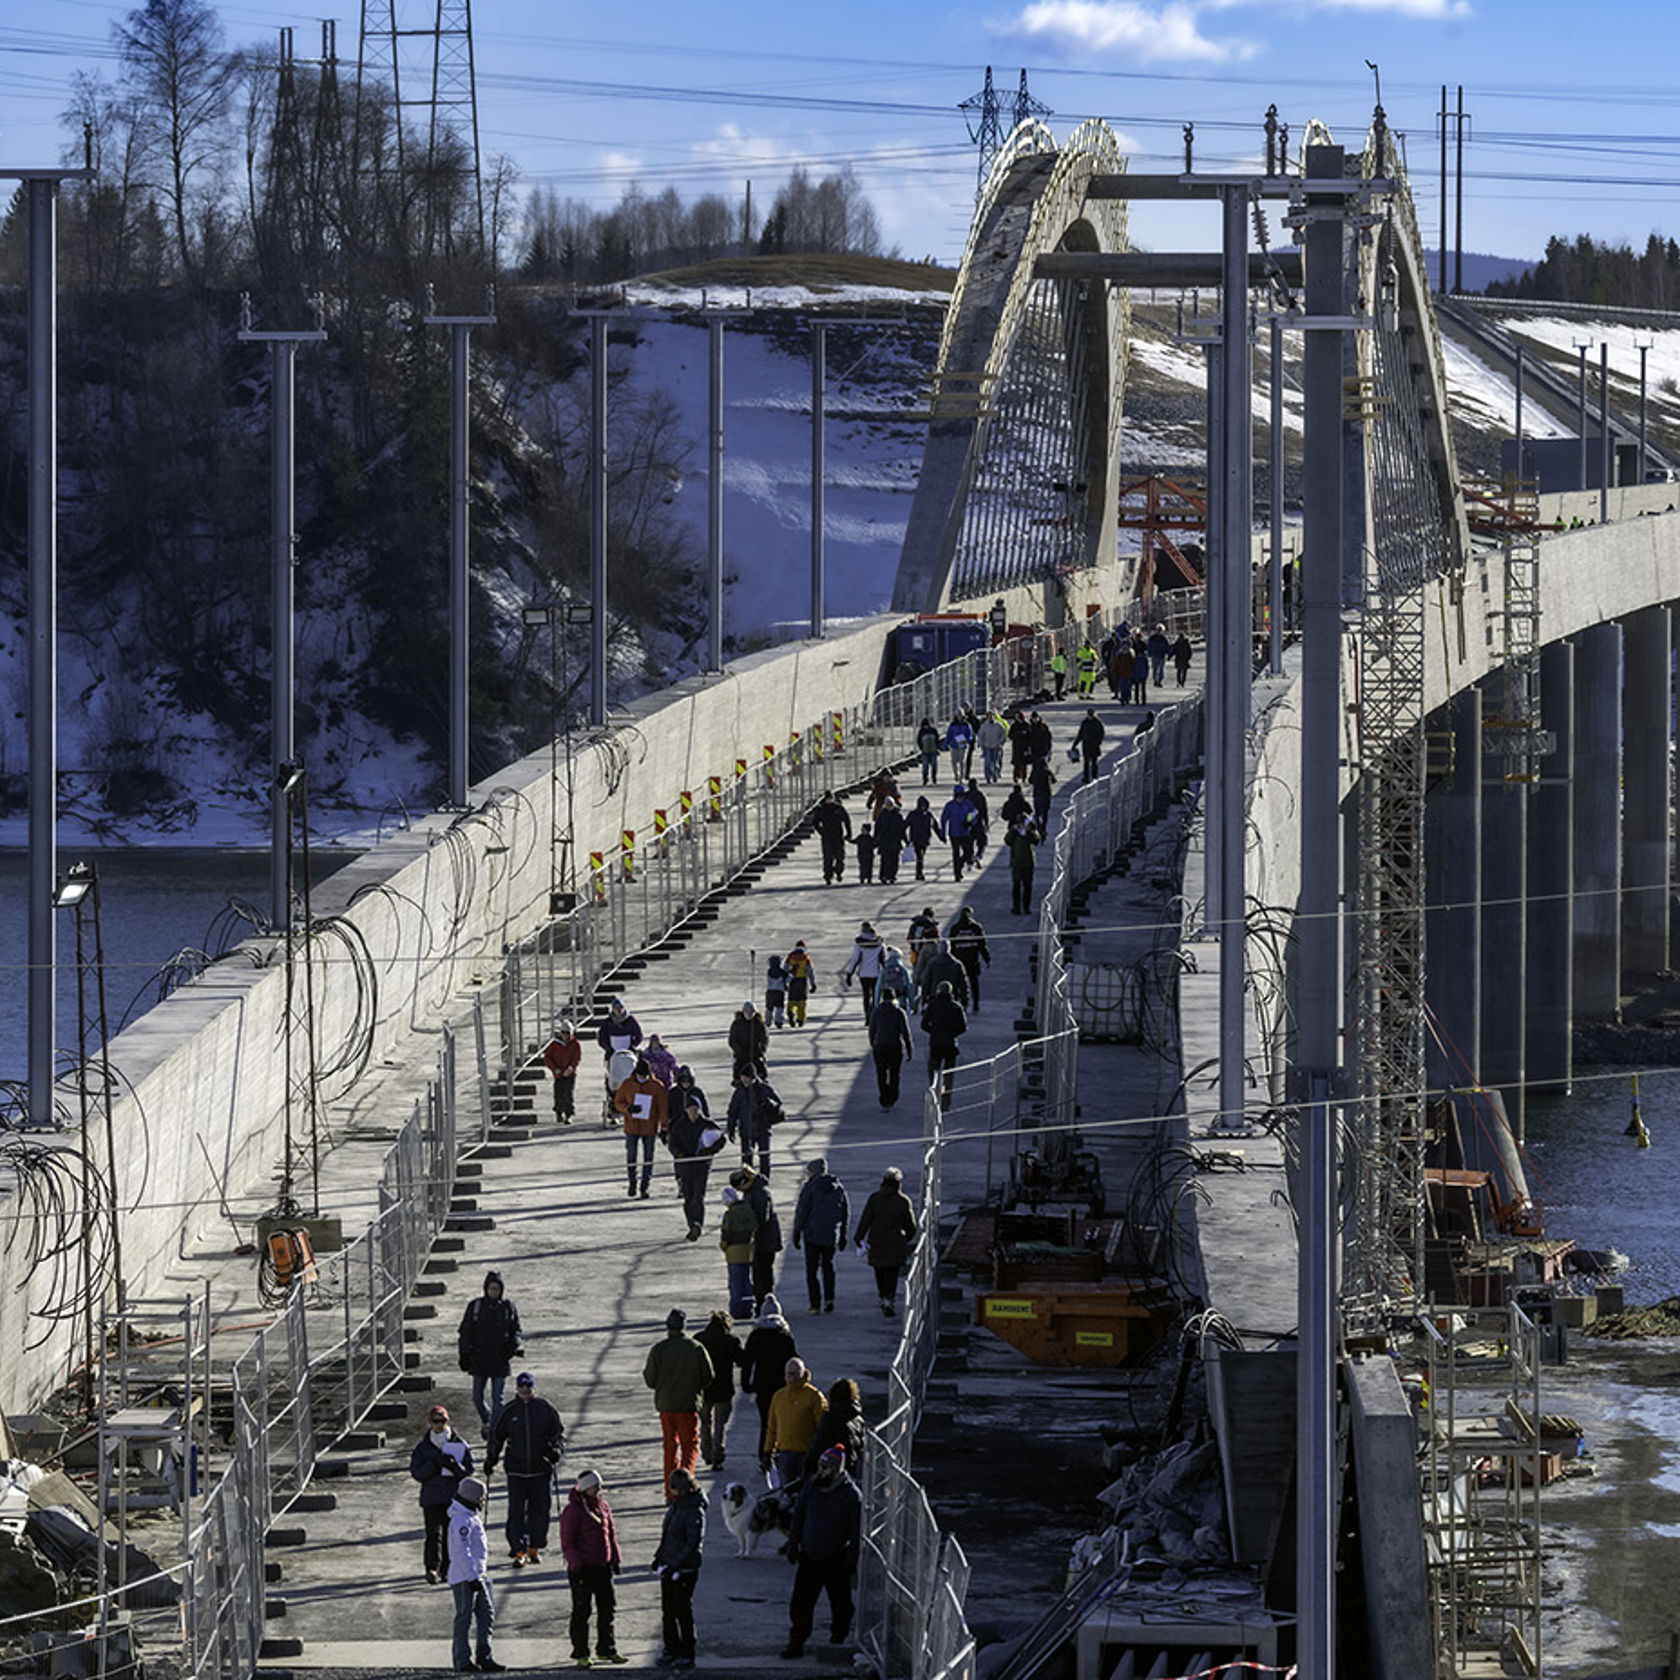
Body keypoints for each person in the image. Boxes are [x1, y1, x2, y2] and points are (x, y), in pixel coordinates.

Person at [781, 1444, 862, 1659]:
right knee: (800, 1604)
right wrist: (793, 1543)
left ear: (836, 1470)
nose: (822, 1472)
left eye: (826, 1468)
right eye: (821, 1467)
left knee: (841, 1604)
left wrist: (852, 1557)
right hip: (810, 1555)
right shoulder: (812, 1486)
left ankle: (837, 1638)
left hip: (835, 1557)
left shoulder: (850, 1495)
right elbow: (799, 1515)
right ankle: (796, 1641)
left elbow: (855, 1530)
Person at [484, 1371, 564, 1567]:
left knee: (540, 1512)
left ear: (533, 1388)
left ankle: (534, 1548)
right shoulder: (509, 1411)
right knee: (516, 1513)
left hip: (541, 1469)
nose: (525, 1390)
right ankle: (519, 1551)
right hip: (517, 1470)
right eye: (521, 1386)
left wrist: (556, 1451)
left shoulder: (545, 1409)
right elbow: (497, 1437)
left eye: (528, 1386)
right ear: (517, 1389)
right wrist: (491, 1459)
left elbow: (558, 1434)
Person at [643, 1308, 715, 1500]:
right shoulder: (696, 1348)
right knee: (690, 1447)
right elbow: (708, 1376)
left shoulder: (658, 1349)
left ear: (668, 1326)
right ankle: (687, 1487)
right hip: (688, 1406)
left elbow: (650, 1379)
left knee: (669, 1448)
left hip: (666, 1406)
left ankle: (671, 1491)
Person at [559, 1468, 626, 1667]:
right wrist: (576, 1564)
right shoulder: (573, 1511)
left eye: (598, 1486)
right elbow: (567, 1541)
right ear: (585, 1488)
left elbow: (611, 1535)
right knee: (582, 1611)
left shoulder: (603, 1506)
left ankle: (607, 1649)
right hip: (583, 1569)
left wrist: (615, 1559)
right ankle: (581, 1652)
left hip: (602, 1567)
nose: (598, 1489)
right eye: (594, 1486)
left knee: (607, 1609)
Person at [410, 1404, 474, 1584]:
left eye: (443, 1421)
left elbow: (468, 1471)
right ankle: (431, 1568)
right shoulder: (423, 1447)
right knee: (432, 1534)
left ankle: (447, 1568)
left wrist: (454, 1466)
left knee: (451, 1534)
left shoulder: (459, 1444)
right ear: (430, 1422)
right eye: (436, 1421)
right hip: (431, 1497)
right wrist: (434, 1465)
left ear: (448, 1421)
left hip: (453, 1497)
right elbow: (417, 1473)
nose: (439, 1425)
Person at [446, 1476, 504, 1673]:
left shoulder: (470, 1516)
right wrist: (472, 1577)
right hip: (466, 1577)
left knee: (486, 1615)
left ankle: (484, 1655)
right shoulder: (461, 1520)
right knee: (464, 1618)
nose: (483, 1501)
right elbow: (461, 1552)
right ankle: (462, 1660)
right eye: (481, 1498)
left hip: (478, 1574)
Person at [651, 1466, 705, 1669]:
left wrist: (676, 1565)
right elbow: (667, 1537)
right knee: (668, 1611)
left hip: (685, 1570)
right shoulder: (676, 1506)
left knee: (682, 1611)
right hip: (669, 1567)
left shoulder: (693, 1510)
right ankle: (671, 1648)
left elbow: (693, 1543)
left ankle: (686, 1651)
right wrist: (659, 1557)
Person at [457, 1272, 522, 1436]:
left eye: (497, 1289)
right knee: (477, 1398)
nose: (494, 1292)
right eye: (491, 1288)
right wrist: (464, 1353)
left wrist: (513, 1345)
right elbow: (465, 1331)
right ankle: (489, 1420)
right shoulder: (476, 1306)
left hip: (500, 1359)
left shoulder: (508, 1307)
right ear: (486, 1289)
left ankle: (494, 1429)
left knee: (497, 1399)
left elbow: (516, 1330)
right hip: (479, 1359)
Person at [741, 1295, 798, 1469]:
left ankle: (764, 1457)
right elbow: (795, 1361)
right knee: (782, 1422)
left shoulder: (756, 1335)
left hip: (762, 1387)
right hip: (782, 1387)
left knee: (766, 1423)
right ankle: (779, 1456)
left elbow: (747, 1362)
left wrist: (747, 1385)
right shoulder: (785, 1336)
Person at [854, 1168, 918, 1318]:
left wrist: (859, 1237)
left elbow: (866, 1220)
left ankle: (883, 1297)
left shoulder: (875, 1198)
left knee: (880, 1271)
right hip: (895, 1243)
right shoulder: (903, 1201)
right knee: (892, 1273)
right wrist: (906, 1238)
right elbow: (911, 1225)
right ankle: (889, 1298)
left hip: (877, 1242)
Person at [792, 1157, 850, 1314]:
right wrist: (843, 1234)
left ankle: (815, 1304)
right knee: (828, 1266)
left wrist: (796, 1232)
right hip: (831, 1235)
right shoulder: (838, 1187)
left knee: (812, 1271)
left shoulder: (810, 1188)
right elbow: (845, 1212)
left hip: (812, 1235)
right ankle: (829, 1299)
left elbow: (802, 1211)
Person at [667, 1096, 725, 1240]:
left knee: (698, 1196)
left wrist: (710, 1150)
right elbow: (672, 1142)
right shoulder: (679, 1125)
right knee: (688, 1196)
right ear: (686, 1110)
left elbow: (721, 1139)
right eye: (690, 1109)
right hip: (684, 1166)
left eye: (695, 1109)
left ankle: (697, 1224)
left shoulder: (707, 1124)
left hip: (701, 1166)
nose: (693, 1112)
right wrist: (678, 1153)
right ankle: (692, 1224)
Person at [765, 1358, 828, 1490]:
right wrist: (767, 1451)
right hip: (784, 1454)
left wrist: (819, 1452)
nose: (791, 1378)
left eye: (795, 1374)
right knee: (785, 1492)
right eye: (789, 1374)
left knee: (805, 1491)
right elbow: (772, 1427)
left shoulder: (814, 1397)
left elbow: (822, 1428)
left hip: (806, 1455)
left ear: (803, 1373)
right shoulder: (779, 1397)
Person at [695, 1310, 744, 1471]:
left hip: (703, 1389)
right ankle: (718, 1456)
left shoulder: (699, 1339)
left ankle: (706, 1453)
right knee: (720, 1425)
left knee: (705, 1423)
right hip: (724, 1389)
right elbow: (742, 1361)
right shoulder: (730, 1340)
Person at [614, 1056, 667, 1200]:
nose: (642, 1077)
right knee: (631, 1156)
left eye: (645, 1075)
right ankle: (632, 1181)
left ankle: (644, 1186)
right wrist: (628, 1109)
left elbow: (662, 1108)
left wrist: (664, 1127)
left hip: (649, 1128)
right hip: (631, 1127)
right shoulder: (627, 1084)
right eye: (640, 1075)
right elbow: (618, 1102)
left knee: (648, 1158)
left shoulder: (657, 1086)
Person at [735, 1163, 784, 1312]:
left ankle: (764, 1304)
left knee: (763, 1273)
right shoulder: (752, 1191)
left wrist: (748, 1228)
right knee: (760, 1273)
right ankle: (762, 1302)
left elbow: (762, 1218)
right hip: (761, 1240)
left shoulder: (760, 1193)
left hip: (765, 1241)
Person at [727, 1066, 784, 1181]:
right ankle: (748, 1181)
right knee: (746, 1158)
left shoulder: (764, 1088)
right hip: (746, 1130)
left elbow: (778, 1104)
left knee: (764, 1157)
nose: (744, 1081)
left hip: (763, 1128)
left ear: (753, 1078)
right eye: (743, 1078)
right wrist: (731, 1128)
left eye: (746, 1078)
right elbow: (732, 1111)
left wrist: (767, 1103)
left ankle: (764, 1180)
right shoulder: (739, 1091)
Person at [803, 1378, 866, 1480]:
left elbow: (818, 1444)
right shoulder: (858, 1419)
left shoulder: (830, 1417)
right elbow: (860, 1446)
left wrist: (807, 1470)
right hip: (849, 1468)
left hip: (830, 1469)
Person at [921, 980, 969, 1109]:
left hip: (935, 1044)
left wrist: (934, 1031)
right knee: (948, 1075)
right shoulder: (956, 1007)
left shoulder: (933, 1005)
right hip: (950, 1045)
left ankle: (935, 1094)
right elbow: (963, 1027)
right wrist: (953, 1033)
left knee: (934, 1071)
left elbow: (924, 1024)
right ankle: (945, 1100)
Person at [867, 989, 914, 1109]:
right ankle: (893, 1096)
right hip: (895, 1046)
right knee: (894, 1073)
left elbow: (872, 1030)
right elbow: (906, 1032)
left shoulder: (876, 1012)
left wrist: (873, 1044)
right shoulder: (899, 1012)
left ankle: (884, 1097)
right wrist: (909, 1048)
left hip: (880, 1046)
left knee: (881, 1073)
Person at [719, 1186, 758, 1319]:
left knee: (735, 1283)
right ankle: (749, 1308)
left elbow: (726, 1234)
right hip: (748, 1251)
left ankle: (736, 1310)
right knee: (746, 1280)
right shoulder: (748, 1210)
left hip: (734, 1253)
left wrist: (723, 1246)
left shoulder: (730, 1215)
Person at [946, 907, 991, 1012]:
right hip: (972, 961)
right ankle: (975, 1004)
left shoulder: (955, 929)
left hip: (959, 961)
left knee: (958, 983)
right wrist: (987, 959)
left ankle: (959, 1003)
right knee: (974, 983)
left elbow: (950, 946)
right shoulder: (976, 928)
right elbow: (982, 945)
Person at [542, 1020, 581, 1124]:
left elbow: (576, 1058)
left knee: (568, 1093)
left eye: (568, 1033)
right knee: (558, 1094)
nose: (565, 1036)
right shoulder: (554, 1044)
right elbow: (547, 1058)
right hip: (558, 1074)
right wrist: (555, 1069)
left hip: (570, 1074)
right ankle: (558, 1112)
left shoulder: (575, 1044)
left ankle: (569, 1114)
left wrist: (571, 1068)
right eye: (563, 1032)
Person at [842, 921, 884, 1017]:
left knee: (866, 995)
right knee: (875, 995)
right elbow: (883, 959)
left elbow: (855, 960)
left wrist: (849, 974)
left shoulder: (859, 944)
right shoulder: (879, 943)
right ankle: (874, 1014)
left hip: (863, 973)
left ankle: (867, 1015)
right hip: (875, 973)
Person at [916, 939, 970, 1010]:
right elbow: (963, 984)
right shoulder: (956, 964)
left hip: (935, 997)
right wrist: (964, 1000)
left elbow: (926, 982)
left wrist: (924, 997)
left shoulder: (932, 963)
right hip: (952, 997)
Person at [1006, 813, 1044, 915]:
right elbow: (1007, 841)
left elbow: (1037, 840)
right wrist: (1013, 831)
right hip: (1016, 862)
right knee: (1016, 886)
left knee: (1027, 886)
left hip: (1028, 863)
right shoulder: (1014, 831)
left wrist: (1030, 831)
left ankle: (1026, 907)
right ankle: (1016, 907)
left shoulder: (1031, 831)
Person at [811, 791, 852, 885]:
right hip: (827, 837)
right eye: (827, 799)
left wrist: (849, 833)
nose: (829, 800)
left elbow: (846, 821)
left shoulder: (839, 808)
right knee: (828, 858)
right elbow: (815, 823)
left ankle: (838, 872)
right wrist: (821, 832)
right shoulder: (821, 809)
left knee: (840, 857)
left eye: (831, 798)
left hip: (838, 836)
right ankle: (828, 876)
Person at [939, 785, 977, 881]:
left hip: (965, 833)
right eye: (958, 796)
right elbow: (944, 819)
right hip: (954, 833)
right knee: (955, 853)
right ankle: (957, 873)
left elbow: (974, 814)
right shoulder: (950, 806)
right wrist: (943, 833)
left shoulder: (967, 804)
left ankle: (960, 865)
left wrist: (969, 823)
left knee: (968, 853)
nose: (960, 798)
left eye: (962, 796)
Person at [728, 1000, 769, 1080]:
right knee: (738, 1065)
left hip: (755, 1053)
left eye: (752, 1012)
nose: (749, 1014)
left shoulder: (759, 1024)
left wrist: (761, 1049)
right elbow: (732, 1039)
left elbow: (765, 1038)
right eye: (747, 1011)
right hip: (741, 1054)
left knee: (760, 1066)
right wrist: (738, 1049)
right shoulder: (737, 1024)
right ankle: (737, 1080)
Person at [595, 996, 643, 1062]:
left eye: (620, 1007)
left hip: (628, 1052)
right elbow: (601, 1038)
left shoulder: (630, 1020)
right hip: (612, 1053)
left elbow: (639, 1035)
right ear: (613, 1009)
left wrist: (633, 1046)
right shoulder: (608, 1022)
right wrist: (609, 1048)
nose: (618, 1010)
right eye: (616, 1008)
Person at [784, 941, 817, 1028]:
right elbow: (810, 971)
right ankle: (801, 1019)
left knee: (792, 1000)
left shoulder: (790, 957)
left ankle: (792, 1012)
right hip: (802, 981)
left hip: (792, 981)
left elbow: (785, 970)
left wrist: (785, 983)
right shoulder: (806, 958)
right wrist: (813, 984)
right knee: (802, 1002)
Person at [904, 796, 937, 881]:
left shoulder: (928, 815)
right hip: (916, 838)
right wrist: (904, 838)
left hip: (925, 839)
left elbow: (935, 826)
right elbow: (905, 825)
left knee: (921, 856)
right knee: (920, 856)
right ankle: (919, 873)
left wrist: (941, 836)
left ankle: (919, 872)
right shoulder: (913, 814)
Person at [874, 799, 905, 884]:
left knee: (894, 860)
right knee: (885, 859)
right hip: (885, 841)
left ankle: (892, 875)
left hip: (895, 840)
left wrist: (905, 839)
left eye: (890, 804)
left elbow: (902, 829)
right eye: (887, 804)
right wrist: (876, 840)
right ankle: (883, 875)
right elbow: (877, 828)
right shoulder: (881, 815)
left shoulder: (898, 815)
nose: (889, 806)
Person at [1074, 707, 1106, 785]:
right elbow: (1080, 734)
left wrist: (1098, 742)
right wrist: (1075, 744)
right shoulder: (1085, 722)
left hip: (1094, 745)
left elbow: (1101, 734)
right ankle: (1086, 778)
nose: (1090, 716)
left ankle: (1094, 776)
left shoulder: (1097, 722)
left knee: (1094, 762)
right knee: (1086, 762)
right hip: (1086, 745)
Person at [877, 946, 914, 1012]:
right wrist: (912, 1004)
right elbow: (909, 986)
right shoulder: (903, 970)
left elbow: (878, 987)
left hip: (886, 1002)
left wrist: (876, 1003)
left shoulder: (883, 971)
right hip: (901, 1001)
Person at [943, 713, 974, 786]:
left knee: (962, 761)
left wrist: (968, 740)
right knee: (953, 762)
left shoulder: (966, 724)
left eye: (961, 715)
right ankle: (956, 774)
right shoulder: (953, 725)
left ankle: (961, 777)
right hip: (954, 744)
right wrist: (945, 744)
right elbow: (949, 735)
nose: (959, 716)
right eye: (958, 715)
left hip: (963, 744)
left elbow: (970, 734)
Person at [977, 710, 1007, 782]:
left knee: (995, 763)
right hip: (987, 747)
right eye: (989, 716)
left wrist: (1000, 742)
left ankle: (995, 775)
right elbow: (980, 735)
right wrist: (981, 744)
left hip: (996, 746)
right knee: (988, 763)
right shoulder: (984, 726)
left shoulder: (999, 725)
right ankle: (988, 777)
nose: (991, 718)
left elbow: (1003, 735)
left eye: (992, 716)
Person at [964, 776, 990, 858]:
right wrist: (986, 822)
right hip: (978, 820)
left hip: (968, 821)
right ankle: (979, 854)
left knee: (969, 840)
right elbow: (984, 809)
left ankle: (970, 855)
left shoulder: (965, 796)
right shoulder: (980, 795)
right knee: (982, 840)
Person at [1029, 753, 1056, 831]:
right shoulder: (1047, 771)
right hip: (1046, 794)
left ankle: (1038, 825)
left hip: (1037, 793)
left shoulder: (1035, 771)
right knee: (1045, 812)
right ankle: (1044, 827)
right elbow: (1054, 780)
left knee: (1037, 812)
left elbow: (1030, 781)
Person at [1008, 710, 1033, 781]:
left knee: (1024, 763)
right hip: (1016, 746)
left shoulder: (1026, 725)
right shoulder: (1014, 725)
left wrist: (1029, 745)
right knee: (1016, 763)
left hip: (1024, 746)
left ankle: (1024, 777)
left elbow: (1030, 736)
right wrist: (1017, 734)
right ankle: (1015, 776)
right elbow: (1010, 735)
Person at [915, 717, 941, 785]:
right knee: (925, 766)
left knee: (934, 765)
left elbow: (937, 739)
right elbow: (918, 741)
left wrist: (937, 747)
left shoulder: (933, 731)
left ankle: (934, 777)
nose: (926, 727)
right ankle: (925, 778)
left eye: (927, 725)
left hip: (933, 751)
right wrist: (921, 748)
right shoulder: (921, 732)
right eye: (924, 725)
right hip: (925, 752)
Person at [764, 957, 788, 1029]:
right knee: (779, 1007)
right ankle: (778, 1021)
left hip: (770, 991)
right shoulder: (782, 972)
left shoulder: (769, 971)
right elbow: (788, 978)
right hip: (779, 991)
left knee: (769, 1007)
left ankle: (767, 1021)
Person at [1147, 623, 1171, 687]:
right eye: (1158, 630)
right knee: (1154, 668)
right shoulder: (1152, 638)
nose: (1159, 631)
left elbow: (1168, 646)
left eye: (1160, 630)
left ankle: (1159, 681)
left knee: (1161, 669)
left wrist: (1168, 653)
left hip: (1162, 655)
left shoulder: (1164, 639)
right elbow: (1149, 646)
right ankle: (1155, 680)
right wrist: (1149, 653)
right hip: (1154, 655)